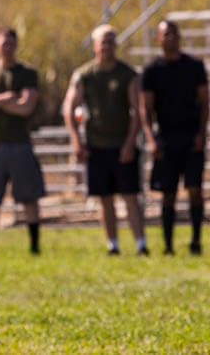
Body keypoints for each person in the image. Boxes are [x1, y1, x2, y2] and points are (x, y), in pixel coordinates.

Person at [62, 24, 148, 256]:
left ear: (116, 45)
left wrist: (131, 143)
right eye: (103, 41)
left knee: (130, 196)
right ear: (94, 46)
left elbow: (137, 111)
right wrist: (76, 142)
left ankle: (140, 244)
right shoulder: (84, 75)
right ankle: (113, 245)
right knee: (105, 198)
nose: (107, 46)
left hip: (123, 146)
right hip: (96, 146)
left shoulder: (127, 75)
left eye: (111, 41)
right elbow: (69, 108)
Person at [0, 28, 45, 256]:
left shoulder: (27, 73)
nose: (7, 48)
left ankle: (34, 245)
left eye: (11, 43)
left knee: (29, 196)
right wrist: (6, 98)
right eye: (3, 43)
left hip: (20, 143)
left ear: (16, 45)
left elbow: (26, 108)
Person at [140, 20, 210, 255]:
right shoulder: (152, 71)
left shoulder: (194, 66)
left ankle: (196, 241)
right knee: (167, 193)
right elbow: (145, 109)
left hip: (191, 136)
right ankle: (168, 245)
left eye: (173, 34)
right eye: (165, 34)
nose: (170, 38)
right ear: (158, 38)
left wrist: (201, 133)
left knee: (194, 189)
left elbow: (205, 102)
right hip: (166, 138)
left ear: (180, 37)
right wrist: (151, 138)